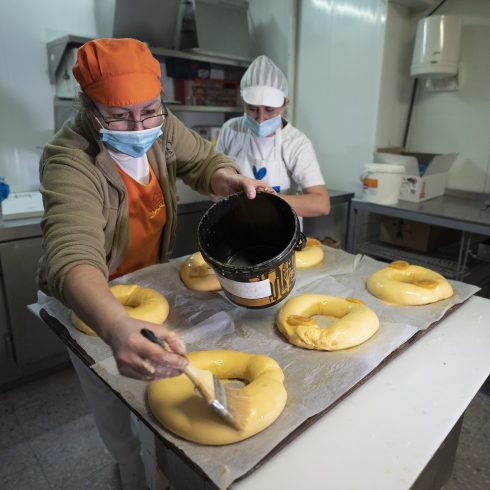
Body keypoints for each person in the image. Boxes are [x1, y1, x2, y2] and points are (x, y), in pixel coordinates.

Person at [37, 38, 269, 489]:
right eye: (119, 115)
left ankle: (153, 461)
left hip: (146, 285)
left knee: (153, 389)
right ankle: (129, 471)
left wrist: (225, 178)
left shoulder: (160, 126)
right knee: (111, 399)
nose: (138, 124)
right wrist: (116, 327)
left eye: (148, 110)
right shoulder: (70, 160)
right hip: (93, 299)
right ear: (88, 107)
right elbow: (72, 254)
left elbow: (202, 159)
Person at [216, 55, 330, 218]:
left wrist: (266, 201)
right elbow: (215, 175)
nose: (260, 118)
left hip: (281, 231)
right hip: (236, 224)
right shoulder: (231, 129)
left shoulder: (296, 143)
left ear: (285, 104)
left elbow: (321, 204)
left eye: (269, 109)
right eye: (252, 108)